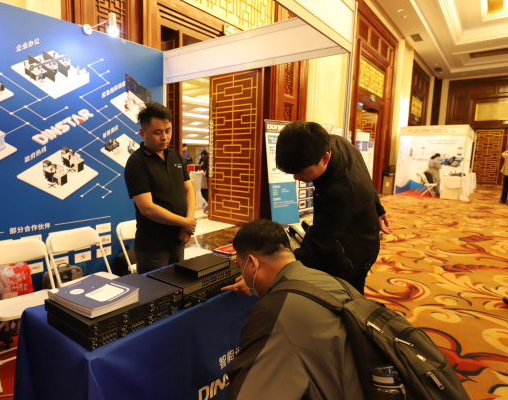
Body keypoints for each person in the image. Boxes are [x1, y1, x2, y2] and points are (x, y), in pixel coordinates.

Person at [229, 122, 391, 295]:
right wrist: (379, 208)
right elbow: (364, 174)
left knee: (347, 295)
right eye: (292, 172)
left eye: (302, 172)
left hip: (355, 251)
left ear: (325, 158)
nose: (296, 177)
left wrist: (266, 278)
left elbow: (316, 244)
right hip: (355, 225)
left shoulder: (340, 193)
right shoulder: (335, 142)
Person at [224, 220, 364, 400]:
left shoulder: (271, 311)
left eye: (239, 266)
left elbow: (247, 391)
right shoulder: (336, 282)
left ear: (252, 263)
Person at [124, 102, 196, 273]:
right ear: (143, 133)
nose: (164, 137)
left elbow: (188, 189)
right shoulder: (137, 163)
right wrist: (185, 222)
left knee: (179, 286)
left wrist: (187, 224)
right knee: (155, 289)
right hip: (153, 248)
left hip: (179, 240)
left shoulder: (175, 155)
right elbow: (147, 208)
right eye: (157, 132)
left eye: (168, 131)